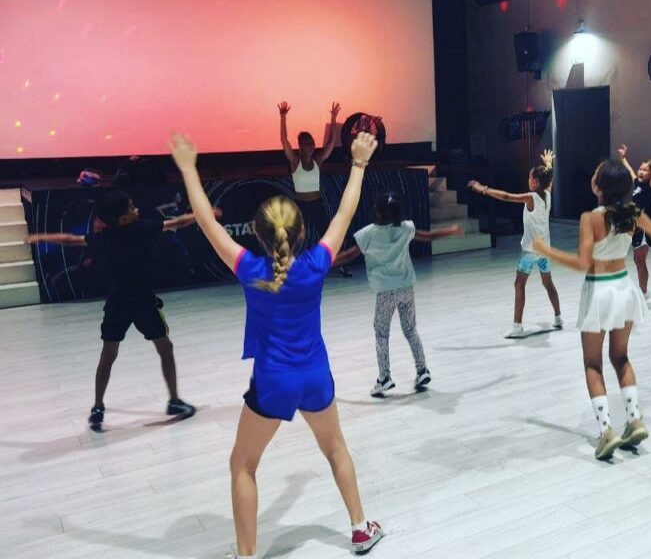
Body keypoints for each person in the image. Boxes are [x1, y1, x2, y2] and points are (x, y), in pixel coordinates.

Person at [169, 131, 385, 557]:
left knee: (243, 465)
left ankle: (247, 555)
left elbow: (208, 222)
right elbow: (344, 212)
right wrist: (358, 164)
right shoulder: (316, 264)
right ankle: (361, 529)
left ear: (257, 234)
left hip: (273, 382)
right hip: (316, 376)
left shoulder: (250, 268)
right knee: (335, 448)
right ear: (302, 231)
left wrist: (189, 169)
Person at [24, 192, 203, 429]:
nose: (136, 209)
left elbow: (69, 239)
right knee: (165, 348)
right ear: (122, 218)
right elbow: (177, 223)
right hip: (143, 302)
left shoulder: (102, 239)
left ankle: (98, 406)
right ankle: (174, 401)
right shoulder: (143, 229)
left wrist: (40, 236)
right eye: (131, 208)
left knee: (108, 355)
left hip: (117, 302)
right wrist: (203, 215)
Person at [533, 159, 651, 460]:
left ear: (598, 187)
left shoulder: (591, 218)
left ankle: (606, 431)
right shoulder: (631, 212)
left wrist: (546, 251)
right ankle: (635, 420)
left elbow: (581, 264)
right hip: (625, 287)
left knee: (593, 363)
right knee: (621, 357)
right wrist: (640, 218)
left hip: (599, 290)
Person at [333, 192, 462, 397]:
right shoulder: (406, 228)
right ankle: (422, 370)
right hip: (406, 288)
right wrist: (451, 230)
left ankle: (384, 378)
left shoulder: (367, 234)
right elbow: (429, 236)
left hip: (385, 293)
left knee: (381, 333)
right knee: (410, 329)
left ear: (376, 211)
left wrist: (322, 263)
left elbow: (348, 255)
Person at [468, 150, 562, 338]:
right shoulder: (548, 196)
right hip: (545, 251)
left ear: (535, 181)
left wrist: (482, 188)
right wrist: (549, 165)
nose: (528, 180)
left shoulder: (531, 197)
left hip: (529, 252)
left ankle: (517, 327)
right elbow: (548, 182)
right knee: (548, 283)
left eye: (530, 177)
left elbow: (506, 196)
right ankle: (558, 318)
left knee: (519, 284)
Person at [277, 100, 351, 277]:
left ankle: (340, 266)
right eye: (308, 143)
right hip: (301, 205)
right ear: (301, 146)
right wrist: (283, 118)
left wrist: (333, 118)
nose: (312, 146)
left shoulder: (318, 161)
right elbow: (284, 140)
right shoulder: (295, 162)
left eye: (312, 143)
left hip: (316, 205)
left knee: (329, 236)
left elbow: (333, 141)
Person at [617, 145, 651, 299]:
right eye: (641, 169)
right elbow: (630, 171)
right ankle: (643, 290)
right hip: (634, 225)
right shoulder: (638, 183)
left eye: (645, 170)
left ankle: (643, 293)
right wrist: (624, 157)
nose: (641, 171)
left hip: (644, 226)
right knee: (638, 260)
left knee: (640, 260)